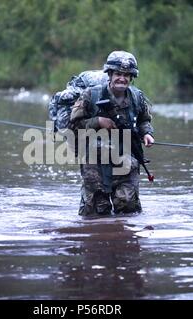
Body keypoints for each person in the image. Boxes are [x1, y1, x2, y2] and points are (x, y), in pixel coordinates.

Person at [69, 51, 154, 217]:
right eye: (118, 74)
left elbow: (144, 120)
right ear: (110, 74)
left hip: (126, 162)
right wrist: (97, 122)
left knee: (129, 212)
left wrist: (147, 134)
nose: (122, 78)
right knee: (95, 214)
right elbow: (72, 127)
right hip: (94, 165)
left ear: (132, 77)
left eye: (127, 75)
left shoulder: (137, 97)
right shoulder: (90, 95)